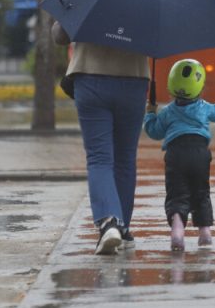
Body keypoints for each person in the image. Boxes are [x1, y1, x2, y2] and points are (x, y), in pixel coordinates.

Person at [53, 20, 149, 255]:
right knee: (125, 158)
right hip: (133, 78)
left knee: (99, 157)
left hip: (91, 75)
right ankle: (123, 228)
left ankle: (109, 222)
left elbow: (59, 35)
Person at [143, 58, 215, 252]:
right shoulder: (204, 107)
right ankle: (205, 232)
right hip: (200, 153)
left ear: (171, 88)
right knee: (201, 193)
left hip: (175, 154)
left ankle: (178, 228)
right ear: (201, 88)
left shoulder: (168, 112)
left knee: (177, 194)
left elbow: (154, 132)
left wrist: (150, 113)